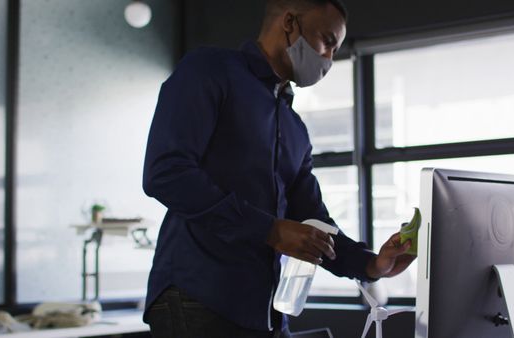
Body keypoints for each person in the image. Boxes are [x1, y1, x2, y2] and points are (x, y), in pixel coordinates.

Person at [142, 0, 416, 337]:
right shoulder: (209, 70)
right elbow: (167, 172)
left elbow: (312, 221)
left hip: (266, 313)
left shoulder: (294, 128)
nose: (329, 58)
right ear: (290, 23)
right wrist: (271, 230)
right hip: (197, 299)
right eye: (327, 41)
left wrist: (371, 264)